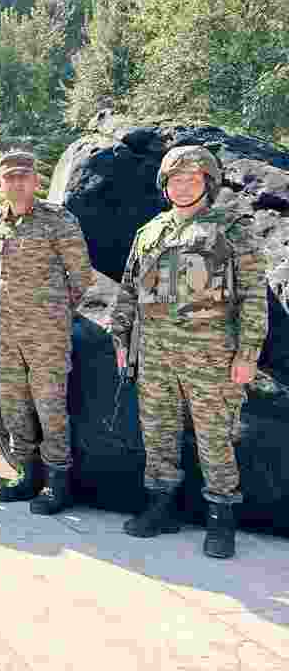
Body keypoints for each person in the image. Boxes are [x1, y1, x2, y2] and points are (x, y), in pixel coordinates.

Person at [110, 145, 268, 559]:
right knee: (158, 433)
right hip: (156, 353)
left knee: (215, 437)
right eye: (175, 179)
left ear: (208, 183)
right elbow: (129, 288)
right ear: (166, 185)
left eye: (192, 179)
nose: (183, 186)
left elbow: (253, 295)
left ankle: (221, 517)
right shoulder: (150, 231)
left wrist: (248, 354)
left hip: (211, 354)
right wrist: (121, 338)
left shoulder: (232, 226)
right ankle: (161, 506)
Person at [0, 150, 93, 515]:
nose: (16, 183)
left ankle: (58, 482)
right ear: (0, 184)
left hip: (47, 334)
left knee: (50, 409)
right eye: (9, 178)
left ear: (36, 181)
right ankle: (27, 475)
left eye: (22, 177)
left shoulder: (57, 220)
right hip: (9, 335)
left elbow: (81, 276)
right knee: (15, 408)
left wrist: (56, 315)